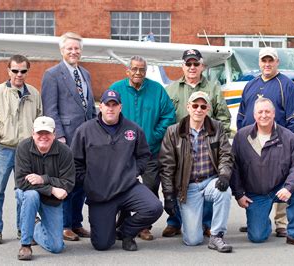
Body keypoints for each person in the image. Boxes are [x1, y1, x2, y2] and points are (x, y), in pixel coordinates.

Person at [71, 89, 163, 251]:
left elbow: (144, 155)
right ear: (101, 107)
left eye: (115, 105)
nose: (111, 108)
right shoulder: (85, 130)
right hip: (101, 194)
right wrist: (88, 182)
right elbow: (75, 162)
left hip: (128, 188)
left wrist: (133, 172)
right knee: (102, 244)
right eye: (107, 104)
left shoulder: (133, 129)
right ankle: (110, 226)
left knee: (154, 207)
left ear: (120, 107)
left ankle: (126, 231)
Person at [163, 49, 231, 238]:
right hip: (178, 146)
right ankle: (175, 222)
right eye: (188, 64)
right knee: (180, 181)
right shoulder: (171, 90)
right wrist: (170, 142)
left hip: (206, 143)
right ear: (182, 66)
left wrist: (218, 141)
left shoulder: (214, 88)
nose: (192, 67)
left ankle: (208, 223)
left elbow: (224, 117)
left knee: (208, 178)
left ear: (202, 66)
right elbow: (165, 118)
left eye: (196, 64)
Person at [236, 47, 294, 237]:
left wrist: (285, 145)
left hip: (278, 144)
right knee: (254, 181)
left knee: (282, 182)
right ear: (259, 63)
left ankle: (281, 223)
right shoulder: (250, 85)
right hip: (252, 142)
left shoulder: (287, 85)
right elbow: (242, 116)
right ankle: (256, 218)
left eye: (271, 61)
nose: (267, 64)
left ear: (277, 62)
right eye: (264, 61)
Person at [109, 55, 175, 241]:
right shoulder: (116, 89)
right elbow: (108, 115)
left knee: (150, 186)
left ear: (146, 71)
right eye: (135, 69)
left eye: (142, 69)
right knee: (121, 187)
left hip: (150, 151)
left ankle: (144, 226)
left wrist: (154, 135)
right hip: (122, 152)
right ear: (128, 71)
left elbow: (169, 115)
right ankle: (121, 222)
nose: (138, 73)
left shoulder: (157, 90)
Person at [159, 91, 233, 253]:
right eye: (195, 105)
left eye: (203, 106)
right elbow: (167, 166)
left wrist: (224, 175)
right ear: (188, 107)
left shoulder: (217, 127)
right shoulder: (173, 131)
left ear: (207, 109)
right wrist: (169, 195)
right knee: (193, 240)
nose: (198, 109)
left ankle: (216, 235)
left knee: (224, 190)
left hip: (210, 180)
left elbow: (226, 155)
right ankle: (195, 224)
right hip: (188, 187)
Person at [0, 54, 42, 244]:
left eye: (23, 71)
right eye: (15, 70)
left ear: (27, 71)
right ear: (8, 70)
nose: (19, 74)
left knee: (23, 191)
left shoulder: (33, 94)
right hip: (3, 149)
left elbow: (40, 119)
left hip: (26, 152)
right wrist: (1, 132)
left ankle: (22, 230)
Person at [231, 97, 294, 247]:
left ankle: (293, 234)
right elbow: (234, 168)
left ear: (274, 114)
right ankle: (261, 220)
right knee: (257, 237)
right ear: (254, 115)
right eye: (260, 112)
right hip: (255, 194)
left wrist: (289, 188)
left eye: (267, 111)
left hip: (279, 189)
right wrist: (239, 194)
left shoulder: (288, 138)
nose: (264, 115)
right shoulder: (242, 137)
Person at [41, 32, 97, 241]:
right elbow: (50, 109)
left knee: (81, 181)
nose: (74, 52)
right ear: (62, 50)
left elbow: (89, 107)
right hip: (66, 138)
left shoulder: (85, 74)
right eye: (69, 48)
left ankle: (76, 222)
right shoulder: (52, 74)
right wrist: (60, 138)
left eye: (77, 48)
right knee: (66, 183)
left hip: (85, 138)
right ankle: (64, 225)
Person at [14, 116, 75, 260]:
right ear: (33, 133)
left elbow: (68, 183)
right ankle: (26, 245)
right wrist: (52, 189)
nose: (43, 137)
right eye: (39, 133)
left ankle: (34, 226)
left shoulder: (65, 151)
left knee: (56, 247)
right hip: (32, 194)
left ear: (54, 134)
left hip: (51, 200)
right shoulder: (23, 147)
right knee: (30, 195)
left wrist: (43, 179)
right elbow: (21, 182)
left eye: (47, 133)